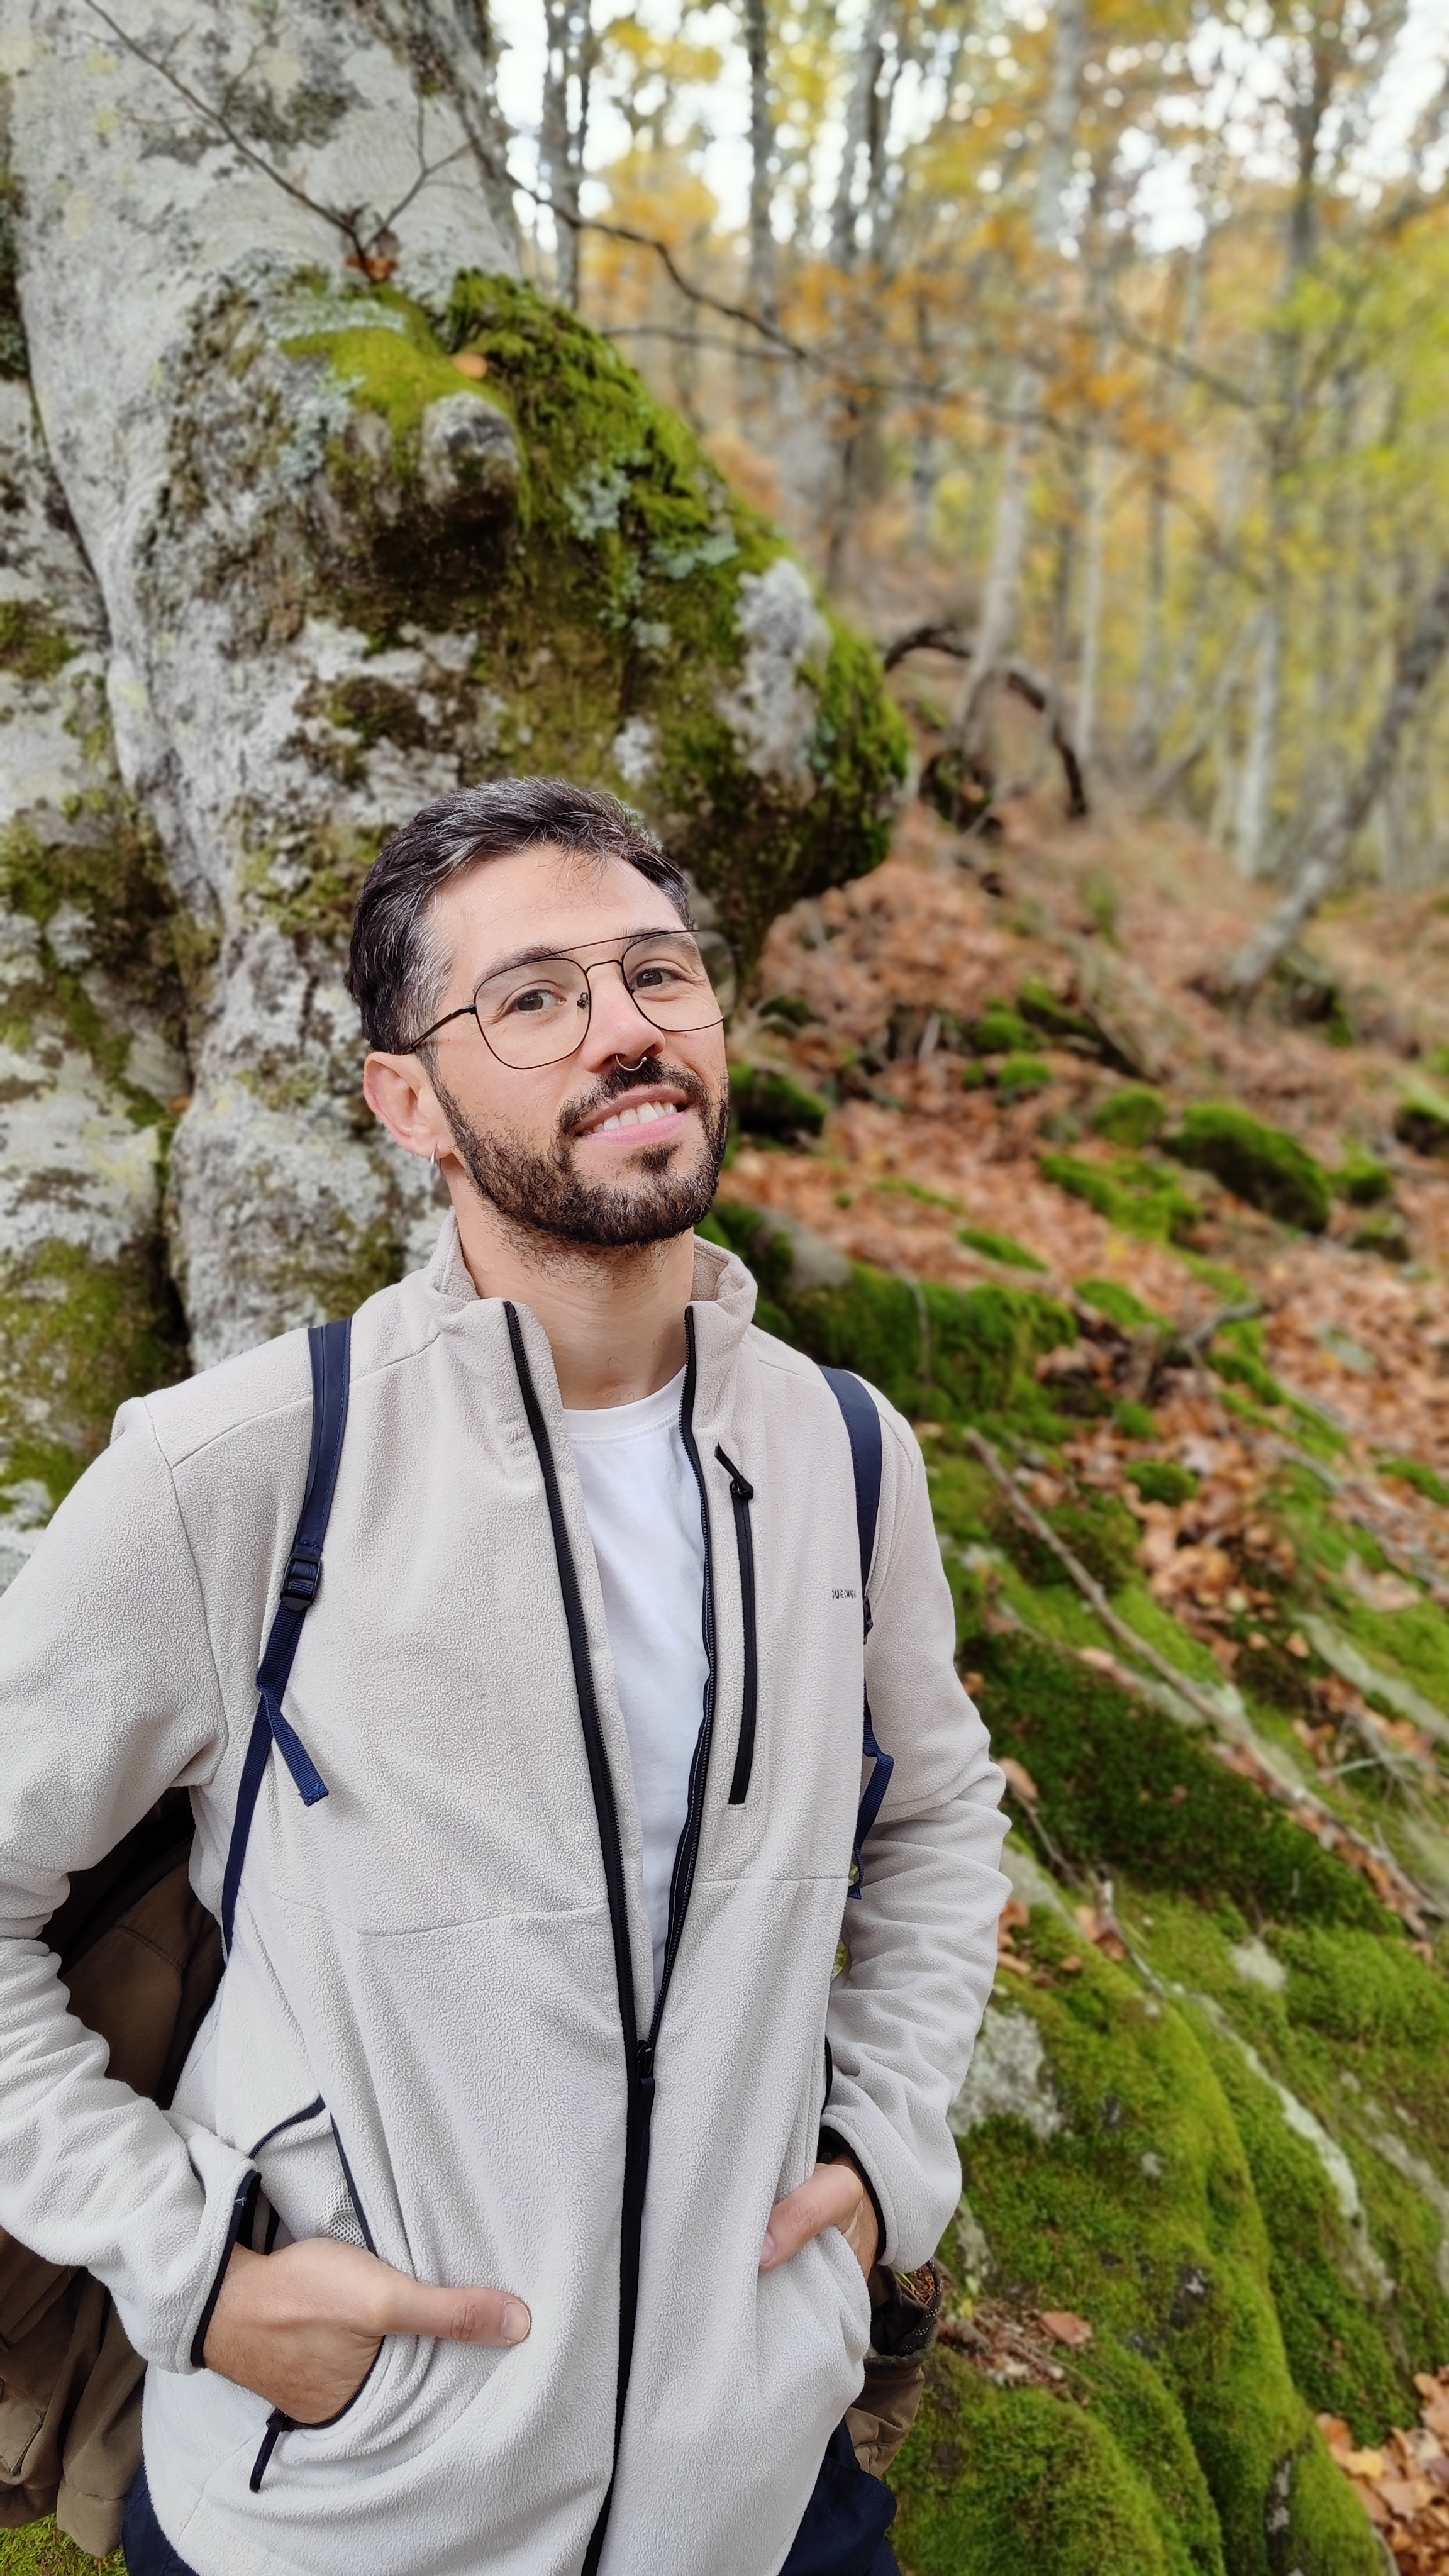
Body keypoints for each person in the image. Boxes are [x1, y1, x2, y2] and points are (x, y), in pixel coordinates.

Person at [0, 777, 1008, 2576]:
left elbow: (937, 1816)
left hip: (763, 2501)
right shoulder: (238, 1469)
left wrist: (885, 2155)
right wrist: (195, 2270)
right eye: (535, 998)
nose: (624, 1030)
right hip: (342, 2510)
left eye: (658, 975)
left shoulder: (846, 1459)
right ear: (412, 1104)